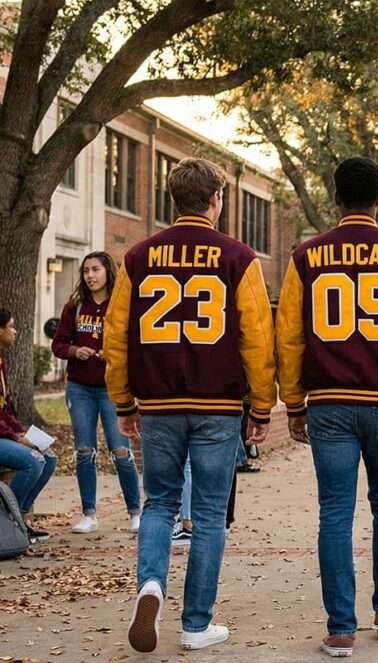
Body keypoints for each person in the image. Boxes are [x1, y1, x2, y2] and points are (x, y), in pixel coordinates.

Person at [276, 156, 378, 658]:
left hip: (328, 401)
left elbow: (289, 336)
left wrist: (293, 403)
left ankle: (340, 628)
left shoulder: (306, 257)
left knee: (335, 510)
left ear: (335, 197)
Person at [105, 158, 276, 653]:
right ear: (216, 200)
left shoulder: (137, 257)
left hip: (158, 402)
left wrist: (122, 401)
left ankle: (151, 585)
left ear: (171, 198)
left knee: (159, 502)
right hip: (217, 404)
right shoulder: (238, 258)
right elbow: (256, 341)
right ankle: (196, 623)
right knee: (207, 512)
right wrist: (261, 406)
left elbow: (118, 337)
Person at [51, 251, 142, 534]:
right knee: (84, 451)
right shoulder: (75, 306)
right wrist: (76, 350)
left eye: (96, 270)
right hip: (80, 389)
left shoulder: (122, 304)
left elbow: (135, 343)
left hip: (112, 389)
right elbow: (58, 344)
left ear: (108, 273)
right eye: (86, 270)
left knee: (120, 451)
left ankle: (135, 511)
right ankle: (89, 514)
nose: (90, 275)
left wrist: (112, 355)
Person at [0, 308, 56, 543]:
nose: (15, 331)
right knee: (33, 461)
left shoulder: (1, 362)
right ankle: (10, 520)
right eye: (11, 326)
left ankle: (20, 519)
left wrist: (20, 430)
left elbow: (5, 408)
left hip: (4, 434)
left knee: (49, 457)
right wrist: (15, 437)